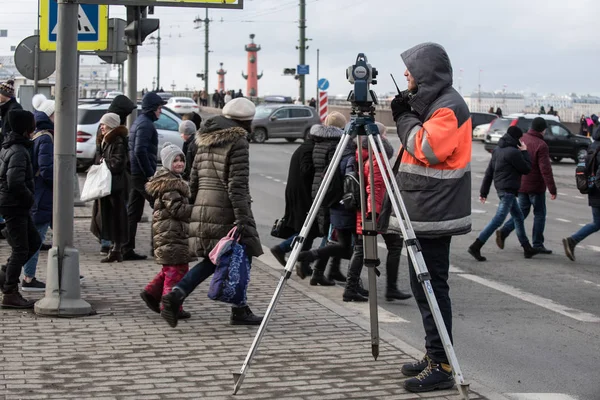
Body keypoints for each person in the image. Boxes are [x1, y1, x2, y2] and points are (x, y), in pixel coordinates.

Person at [391, 42, 472, 392]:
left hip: (435, 213)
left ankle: (441, 364)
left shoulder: (449, 107)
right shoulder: (438, 103)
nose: (406, 74)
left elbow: (426, 148)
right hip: (425, 210)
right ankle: (433, 353)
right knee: (422, 288)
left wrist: (404, 116)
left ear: (425, 72)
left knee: (431, 288)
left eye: (411, 69)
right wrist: (413, 109)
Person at [160, 98, 263, 328]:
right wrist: (244, 218)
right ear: (246, 121)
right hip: (225, 208)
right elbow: (236, 186)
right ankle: (238, 310)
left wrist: (196, 204)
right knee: (240, 254)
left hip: (204, 205)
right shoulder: (238, 141)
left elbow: (193, 177)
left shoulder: (204, 138)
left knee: (214, 258)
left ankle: (177, 294)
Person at [343, 123, 412, 302]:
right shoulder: (377, 157)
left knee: (360, 248)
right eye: (384, 134)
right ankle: (389, 288)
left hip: (367, 210)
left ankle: (352, 288)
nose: (386, 138)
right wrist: (375, 213)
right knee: (394, 245)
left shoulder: (361, 153)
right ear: (378, 138)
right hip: (376, 211)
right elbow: (376, 187)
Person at [468, 126, 541, 261]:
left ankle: (526, 248)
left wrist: (484, 192)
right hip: (508, 190)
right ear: (516, 138)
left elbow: (489, 172)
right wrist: (525, 152)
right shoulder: (514, 153)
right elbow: (527, 169)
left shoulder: (497, 150)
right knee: (498, 219)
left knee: (518, 217)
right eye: (520, 139)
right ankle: (476, 246)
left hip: (502, 189)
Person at [141, 143, 194, 320]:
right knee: (176, 271)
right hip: (171, 234)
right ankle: (170, 307)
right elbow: (177, 210)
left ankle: (151, 292)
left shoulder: (173, 180)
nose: (179, 163)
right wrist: (196, 209)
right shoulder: (171, 184)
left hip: (170, 233)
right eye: (175, 160)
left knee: (171, 268)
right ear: (166, 163)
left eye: (181, 160)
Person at [298, 111, 352, 286]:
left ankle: (330, 269)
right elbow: (334, 173)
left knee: (331, 232)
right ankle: (318, 271)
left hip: (319, 188)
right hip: (330, 192)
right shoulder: (335, 145)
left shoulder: (319, 141)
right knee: (331, 233)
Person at [496, 117, 557, 254]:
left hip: (521, 184)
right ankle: (537, 244)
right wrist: (552, 188)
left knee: (521, 212)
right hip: (536, 187)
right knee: (540, 214)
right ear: (543, 130)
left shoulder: (521, 139)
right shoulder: (541, 145)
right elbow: (545, 169)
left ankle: (504, 231)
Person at [0, 110, 41, 308]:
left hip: (14, 204)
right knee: (21, 248)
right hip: (14, 205)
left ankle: (6, 273)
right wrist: (29, 198)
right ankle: (10, 292)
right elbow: (14, 181)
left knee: (33, 241)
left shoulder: (14, 146)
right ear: (27, 128)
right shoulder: (17, 150)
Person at [122, 92, 166, 261]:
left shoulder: (139, 122)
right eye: (159, 108)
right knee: (160, 206)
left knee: (133, 212)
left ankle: (127, 247)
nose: (160, 112)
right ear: (152, 109)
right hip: (141, 174)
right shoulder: (146, 125)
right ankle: (157, 248)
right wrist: (150, 174)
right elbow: (140, 150)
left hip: (135, 173)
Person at [270, 130, 318, 279]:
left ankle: (302, 264)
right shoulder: (308, 148)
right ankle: (283, 248)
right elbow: (306, 170)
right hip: (301, 192)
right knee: (309, 227)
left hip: (298, 191)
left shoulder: (306, 146)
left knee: (307, 226)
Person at [20, 96, 55, 292]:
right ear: (50, 115)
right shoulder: (46, 137)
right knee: (36, 238)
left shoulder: (37, 134)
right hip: (43, 196)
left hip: (40, 194)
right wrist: (59, 184)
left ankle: (66, 271)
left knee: (61, 235)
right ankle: (28, 277)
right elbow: (47, 168)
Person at [97, 95, 136, 255]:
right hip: (115, 180)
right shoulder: (114, 134)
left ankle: (112, 244)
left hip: (109, 179)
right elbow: (118, 161)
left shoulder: (111, 132)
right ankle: (113, 244)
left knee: (110, 213)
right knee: (117, 213)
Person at [90, 113, 129, 263]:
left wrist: (103, 161)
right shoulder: (107, 140)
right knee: (110, 217)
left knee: (116, 217)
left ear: (111, 125)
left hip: (115, 186)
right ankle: (114, 249)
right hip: (110, 185)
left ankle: (116, 249)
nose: (101, 127)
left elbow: (118, 163)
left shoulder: (117, 140)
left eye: (103, 124)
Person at [563, 127, 600, 261]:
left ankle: (572, 241)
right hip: (598, 191)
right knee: (597, 223)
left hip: (592, 190)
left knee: (597, 222)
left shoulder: (592, 147)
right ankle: (572, 240)